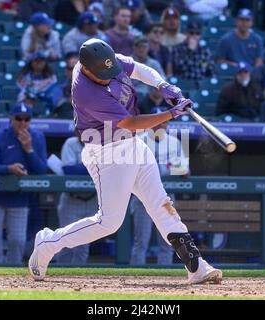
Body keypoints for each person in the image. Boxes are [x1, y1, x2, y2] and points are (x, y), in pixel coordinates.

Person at [28, 38, 223, 285]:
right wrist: (171, 114)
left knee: (161, 203)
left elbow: (140, 69)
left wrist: (163, 85)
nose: (108, 76)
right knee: (108, 222)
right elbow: (131, 122)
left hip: (132, 145)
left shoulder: (105, 61)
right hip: (107, 152)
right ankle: (48, 243)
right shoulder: (86, 91)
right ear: (85, 68)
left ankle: (197, 267)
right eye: (101, 74)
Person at [0, 103, 47, 265]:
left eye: (27, 119)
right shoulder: (0, 135)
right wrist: (9, 169)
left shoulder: (37, 137)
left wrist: (29, 149)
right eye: (19, 118)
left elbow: (41, 169)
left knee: (18, 240)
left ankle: (12, 273)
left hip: (20, 198)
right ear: (11, 119)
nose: (23, 123)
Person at [130, 107, 188, 265]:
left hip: (166, 199)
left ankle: (165, 277)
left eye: (165, 122)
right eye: (158, 121)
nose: (161, 125)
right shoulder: (139, 140)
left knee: (169, 242)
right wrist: (165, 167)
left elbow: (185, 170)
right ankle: (137, 277)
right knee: (141, 242)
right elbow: (130, 168)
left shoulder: (174, 142)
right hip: (142, 198)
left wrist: (167, 168)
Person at [56, 133, 98, 264]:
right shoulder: (70, 143)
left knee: (84, 246)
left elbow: (105, 168)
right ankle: (61, 275)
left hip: (92, 200)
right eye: (80, 129)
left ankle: (79, 280)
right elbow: (69, 170)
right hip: (71, 199)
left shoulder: (100, 145)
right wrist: (92, 165)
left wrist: (82, 166)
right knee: (66, 243)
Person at [53, 52, 79, 119]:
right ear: (66, 71)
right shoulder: (59, 88)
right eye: (71, 69)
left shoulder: (92, 88)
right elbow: (55, 106)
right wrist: (67, 100)